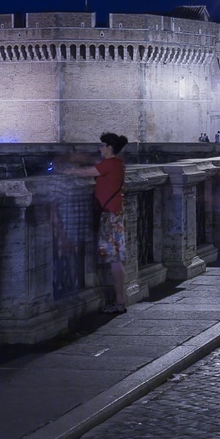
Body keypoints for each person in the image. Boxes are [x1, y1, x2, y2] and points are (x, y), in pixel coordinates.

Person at [63, 132, 131, 314]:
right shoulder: (117, 163)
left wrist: (69, 171)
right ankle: (120, 300)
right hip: (114, 214)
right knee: (116, 259)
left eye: (102, 145)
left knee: (114, 260)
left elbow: (88, 172)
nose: (100, 148)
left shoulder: (110, 164)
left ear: (109, 148)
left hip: (109, 216)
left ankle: (119, 301)